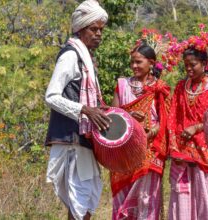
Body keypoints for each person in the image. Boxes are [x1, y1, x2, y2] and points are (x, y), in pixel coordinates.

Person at [44, 1, 110, 219]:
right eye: (94, 29)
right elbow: (51, 96)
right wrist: (85, 110)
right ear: (80, 29)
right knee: (80, 204)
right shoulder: (71, 56)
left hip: (83, 140)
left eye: (101, 29)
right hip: (71, 140)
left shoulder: (86, 59)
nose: (99, 34)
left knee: (83, 204)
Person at [110, 43, 170, 220]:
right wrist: (128, 115)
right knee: (122, 198)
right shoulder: (122, 85)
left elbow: (166, 119)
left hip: (150, 151)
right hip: (124, 153)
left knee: (146, 199)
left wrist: (151, 131)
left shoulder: (160, 88)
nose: (134, 66)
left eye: (138, 62)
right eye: (132, 62)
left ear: (151, 63)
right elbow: (113, 116)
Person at [167, 47, 208, 220]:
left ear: (205, 64)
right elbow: (173, 117)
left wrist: (197, 127)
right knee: (182, 197)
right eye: (186, 65)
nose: (189, 69)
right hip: (183, 150)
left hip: (206, 152)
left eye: (193, 65)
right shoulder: (180, 86)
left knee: (205, 198)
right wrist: (174, 148)